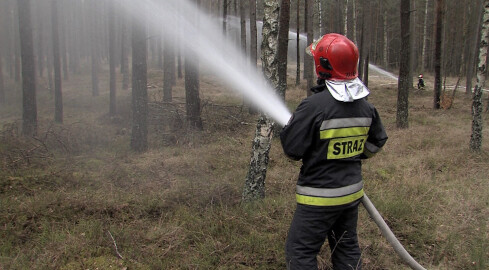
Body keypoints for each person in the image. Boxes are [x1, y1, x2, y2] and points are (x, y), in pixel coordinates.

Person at [280, 33, 388, 270]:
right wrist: (355, 155)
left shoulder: (313, 106)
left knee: (300, 251)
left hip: (318, 197)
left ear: (323, 65)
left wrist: (290, 129)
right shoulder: (365, 106)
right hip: (350, 195)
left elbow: (292, 151)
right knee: (346, 247)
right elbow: (378, 140)